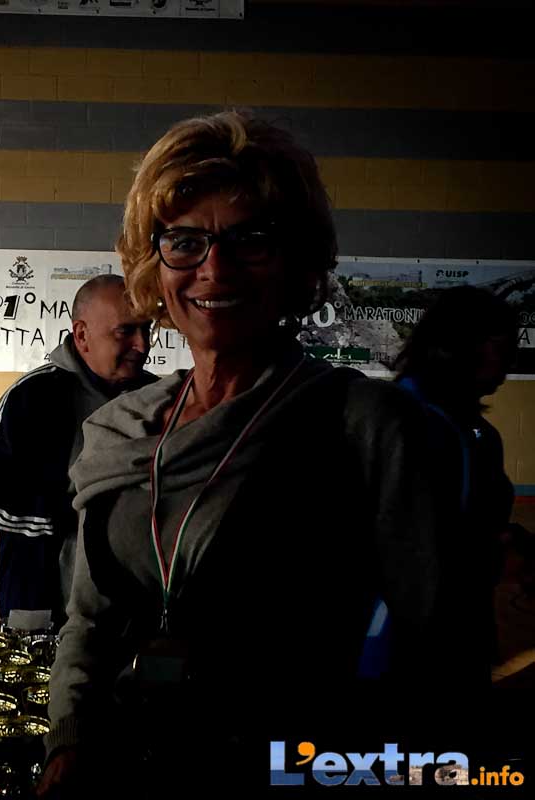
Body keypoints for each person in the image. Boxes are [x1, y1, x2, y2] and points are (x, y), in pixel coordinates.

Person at [39, 111, 444, 796]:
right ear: (154, 262)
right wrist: (68, 744)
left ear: (295, 261)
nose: (214, 268)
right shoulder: (119, 429)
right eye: (185, 242)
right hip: (121, 768)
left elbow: (436, 653)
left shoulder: (367, 426)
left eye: (250, 240)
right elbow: (90, 618)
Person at [0, 274, 157, 628]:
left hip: (134, 611)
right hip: (39, 606)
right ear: (81, 335)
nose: (142, 345)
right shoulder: (31, 396)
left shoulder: (161, 399)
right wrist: (63, 516)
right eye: (125, 331)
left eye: (147, 330)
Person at [394, 285, 517, 684]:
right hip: (415, 648)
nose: (509, 361)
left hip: (462, 631)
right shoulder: (398, 422)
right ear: (459, 345)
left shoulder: (480, 433)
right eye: (501, 346)